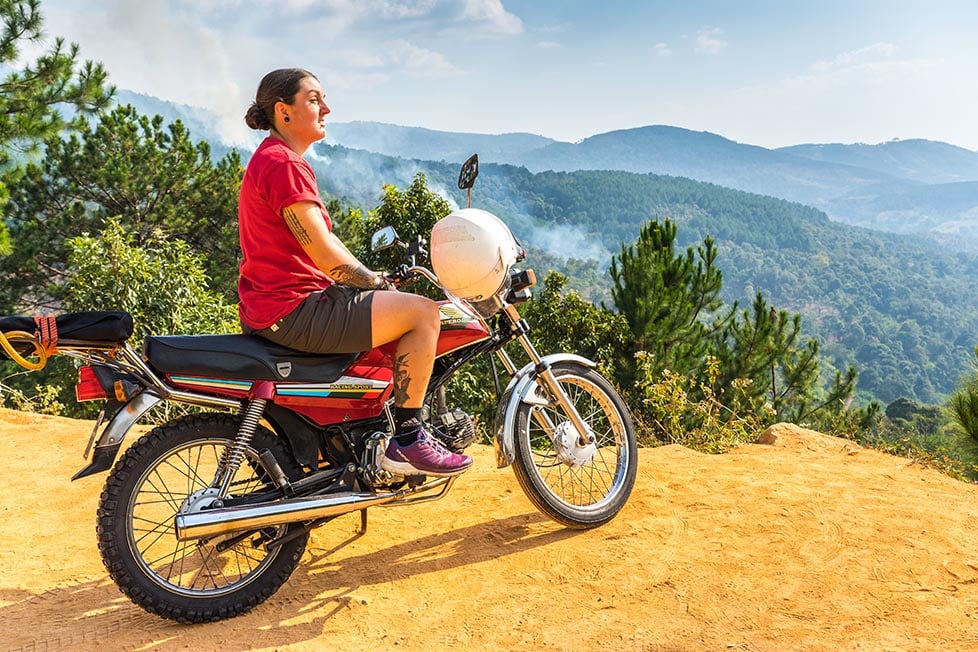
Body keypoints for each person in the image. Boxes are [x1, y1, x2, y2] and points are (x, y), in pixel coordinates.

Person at [238, 68, 472, 477]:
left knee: (391, 311)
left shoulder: (273, 160)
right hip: (295, 308)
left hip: (279, 306)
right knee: (424, 314)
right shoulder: (282, 163)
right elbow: (325, 254)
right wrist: (371, 281)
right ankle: (409, 440)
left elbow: (324, 247)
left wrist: (370, 277)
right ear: (284, 111)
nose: (326, 107)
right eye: (313, 99)